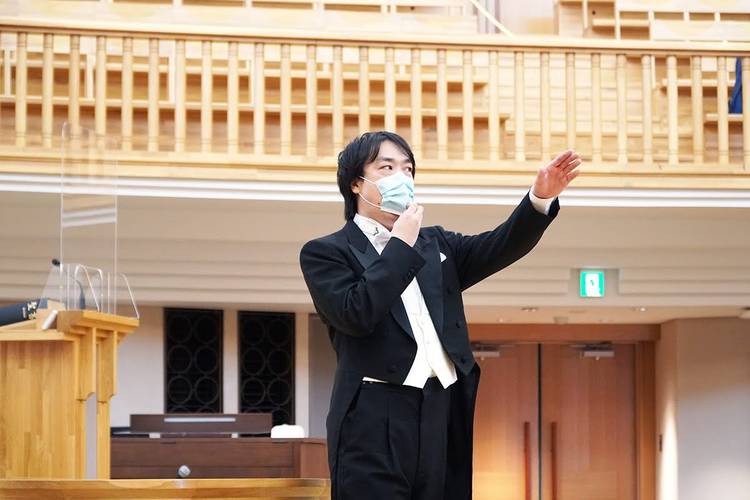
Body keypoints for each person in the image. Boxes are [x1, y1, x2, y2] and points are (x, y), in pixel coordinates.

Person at [299, 131, 580, 500]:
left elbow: (500, 246)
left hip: (441, 404)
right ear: (356, 182)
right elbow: (356, 314)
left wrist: (539, 199)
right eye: (387, 167)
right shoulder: (326, 252)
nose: (402, 177)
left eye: (408, 169)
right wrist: (400, 244)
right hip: (374, 413)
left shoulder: (437, 243)